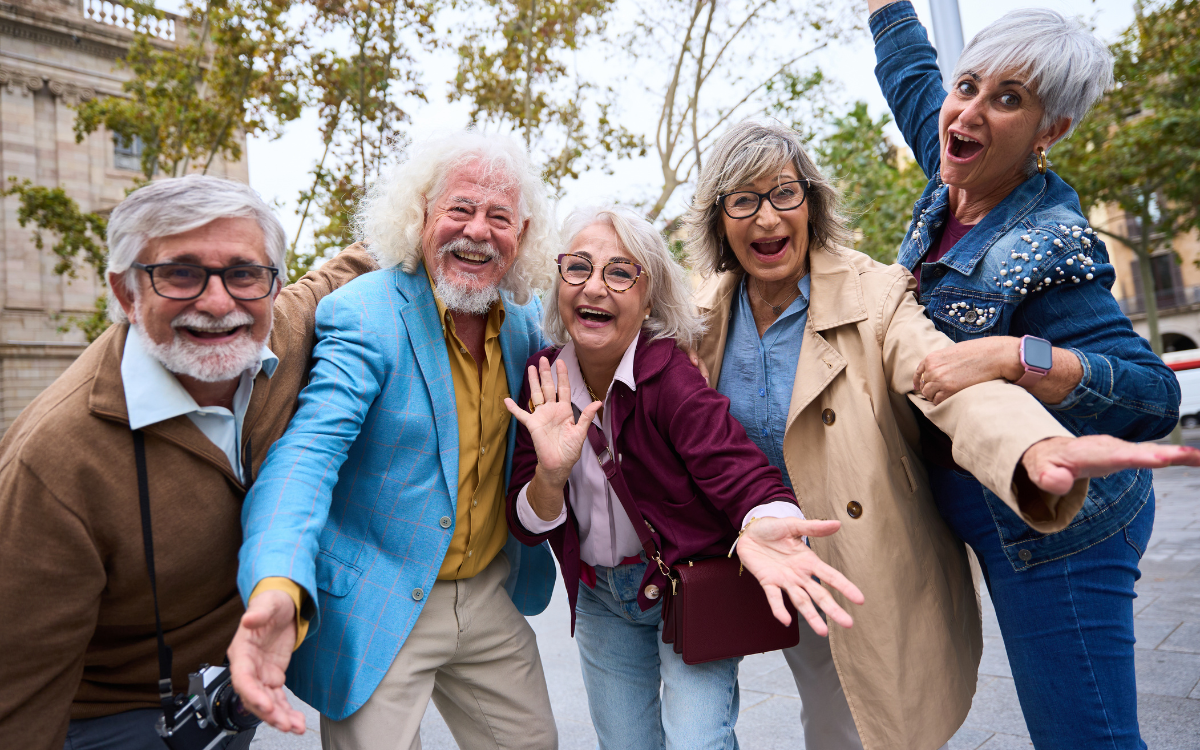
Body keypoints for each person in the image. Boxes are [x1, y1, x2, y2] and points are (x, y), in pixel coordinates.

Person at [682, 118, 1200, 750]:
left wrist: (1030, 447)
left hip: (857, 561)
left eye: (784, 193)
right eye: (743, 200)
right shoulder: (700, 314)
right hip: (758, 553)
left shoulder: (877, 294)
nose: (767, 217)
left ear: (811, 204)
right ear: (719, 220)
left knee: (858, 727)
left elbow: (950, 382)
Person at [866, 3, 1184, 747]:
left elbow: (1155, 396)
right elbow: (912, 74)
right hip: (986, 501)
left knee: (1085, 739)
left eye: (1009, 98)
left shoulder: (1049, 242)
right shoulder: (956, 168)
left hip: (1062, 526)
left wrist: (1017, 355)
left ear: (1049, 131)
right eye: (967, 86)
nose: (970, 110)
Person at [0, 175, 375, 750]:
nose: (219, 302)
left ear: (274, 286)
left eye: (244, 273)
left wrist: (439, 217)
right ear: (127, 292)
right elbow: (19, 692)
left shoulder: (285, 326)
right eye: (180, 273)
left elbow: (342, 270)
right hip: (112, 721)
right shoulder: (53, 461)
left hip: (229, 698)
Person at [230, 132, 560, 750]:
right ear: (421, 214)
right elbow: (306, 457)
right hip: (380, 600)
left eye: (499, 217)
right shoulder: (363, 314)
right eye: (460, 208)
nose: (478, 231)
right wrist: (277, 582)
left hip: (488, 594)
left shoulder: (525, 321)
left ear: (522, 234)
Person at [504, 205, 865, 750]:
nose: (594, 287)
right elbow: (528, 524)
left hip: (689, 587)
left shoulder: (669, 374)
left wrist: (767, 519)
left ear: (648, 299)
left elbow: (734, 463)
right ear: (559, 284)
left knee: (697, 742)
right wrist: (550, 477)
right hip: (602, 600)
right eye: (578, 267)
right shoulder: (544, 379)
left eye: (619, 273)